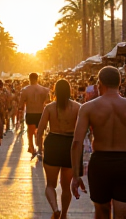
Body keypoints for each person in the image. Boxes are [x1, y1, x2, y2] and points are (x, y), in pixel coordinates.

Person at [71, 66, 126, 219]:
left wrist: (76, 176)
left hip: (100, 164)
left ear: (99, 84)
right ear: (120, 83)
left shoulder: (88, 108)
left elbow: (77, 142)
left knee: (102, 213)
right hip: (124, 163)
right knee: (125, 216)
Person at [37, 79, 83, 219]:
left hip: (53, 143)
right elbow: (83, 130)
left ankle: (55, 209)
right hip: (70, 145)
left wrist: (39, 149)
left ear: (55, 91)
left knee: (50, 184)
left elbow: (40, 130)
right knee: (66, 186)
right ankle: (63, 214)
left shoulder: (50, 107)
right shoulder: (77, 107)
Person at [19, 72, 50, 159]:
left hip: (30, 112)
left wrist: (20, 113)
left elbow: (21, 104)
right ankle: (40, 148)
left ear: (29, 79)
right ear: (37, 79)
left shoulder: (25, 90)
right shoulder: (44, 90)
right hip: (41, 113)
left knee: (30, 132)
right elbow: (48, 102)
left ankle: (31, 147)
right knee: (40, 132)